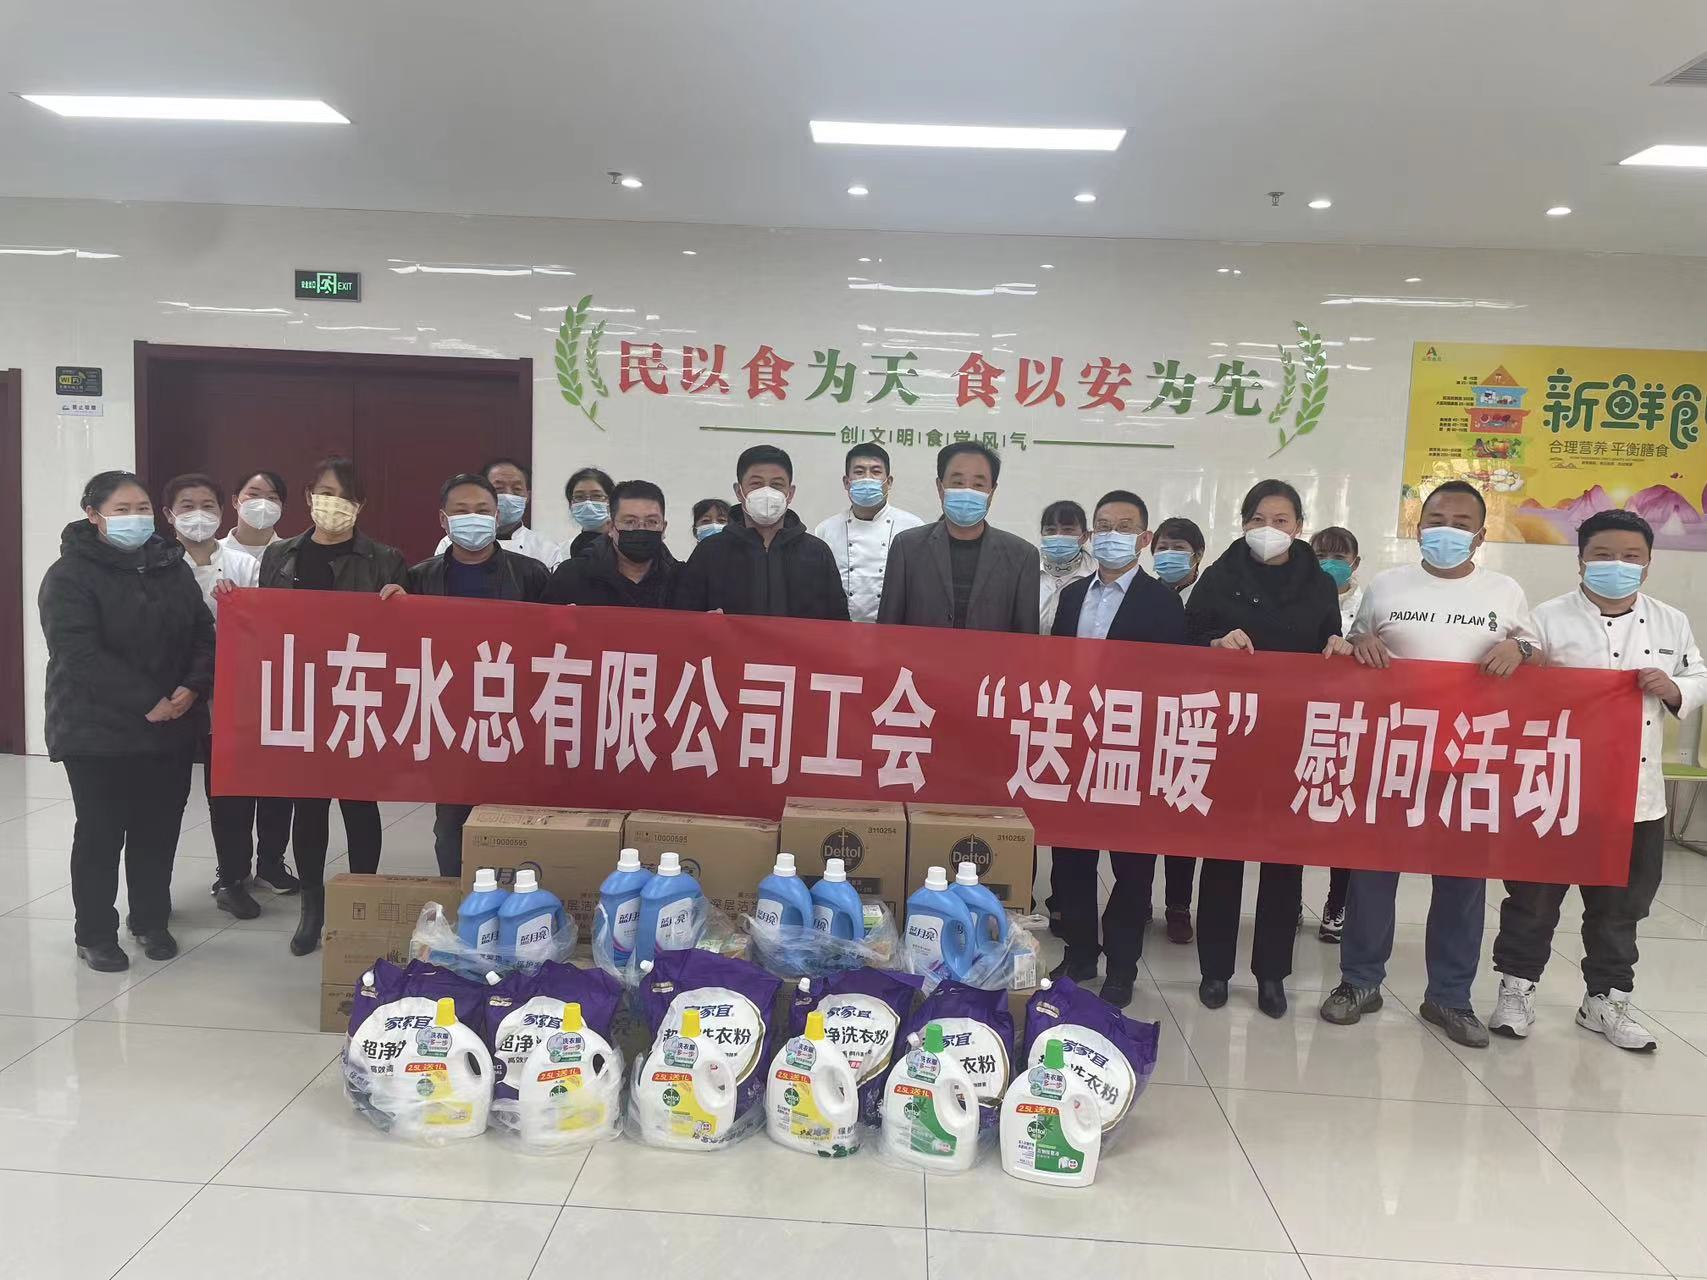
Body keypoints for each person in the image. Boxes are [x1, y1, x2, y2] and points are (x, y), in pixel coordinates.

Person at [1321, 480, 1540, 1048]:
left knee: (1462, 882)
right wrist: (1360, 644)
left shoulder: (1505, 591)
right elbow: (1353, 645)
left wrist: (1520, 648)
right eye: (1437, 520)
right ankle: (1359, 982)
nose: (1447, 531)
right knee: (1373, 873)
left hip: (1471, 758)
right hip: (1393, 752)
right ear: (1419, 529)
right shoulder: (1387, 586)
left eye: (1461, 523)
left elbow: (1538, 651)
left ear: (1480, 535)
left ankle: (1450, 996)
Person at [1488, 509, 1706, 1051]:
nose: (1617, 565)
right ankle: (1516, 989)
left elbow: (1697, 675)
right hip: (1556, 790)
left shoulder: (1671, 621)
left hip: (1636, 797)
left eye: (1631, 557)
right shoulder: (1546, 618)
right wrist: (1523, 656)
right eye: (1603, 555)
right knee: (1533, 899)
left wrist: (1674, 687)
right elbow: (1518, 674)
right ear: (1581, 560)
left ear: (1648, 565)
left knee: (1620, 907)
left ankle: (1605, 999)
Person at [40, 471, 215, 971]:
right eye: (121, 510)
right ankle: (94, 932)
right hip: (97, 729)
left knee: (157, 830)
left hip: (171, 724)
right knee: (100, 833)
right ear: (93, 515)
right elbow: (77, 653)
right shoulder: (69, 575)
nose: (134, 518)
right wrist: (147, 700)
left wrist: (192, 686)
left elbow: (203, 633)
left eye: (142, 509)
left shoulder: (169, 564)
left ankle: (150, 920)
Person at [1187, 479, 1342, 1018]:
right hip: (1228, 735)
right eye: (1258, 519)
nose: (1268, 529)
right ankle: (1214, 970)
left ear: (1299, 527)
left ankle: (1272, 973)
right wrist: (1214, 643)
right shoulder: (1219, 577)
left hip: (1292, 738)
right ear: (1243, 523)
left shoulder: (1319, 585)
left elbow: (1329, 645)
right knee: (1222, 857)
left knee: (1283, 859)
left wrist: (1337, 647)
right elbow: (1184, 642)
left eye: (1281, 520)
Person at [259, 456, 410, 956]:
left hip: (359, 695)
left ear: (360, 505)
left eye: (345, 496)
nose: (333, 503)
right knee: (308, 807)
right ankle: (313, 906)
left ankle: (361, 899)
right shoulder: (280, 555)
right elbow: (263, 624)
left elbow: (403, 635)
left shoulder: (384, 558)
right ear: (308, 496)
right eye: (325, 492)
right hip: (302, 696)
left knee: (360, 804)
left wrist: (402, 601)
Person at [1047, 490, 1189, 1007]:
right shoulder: (1070, 596)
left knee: (1132, 865)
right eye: (1104, 525)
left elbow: (1172, 682)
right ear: (1090, 535)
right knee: (1072, 857)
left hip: (1133, 747)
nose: (1112, 535)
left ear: (1144, 538)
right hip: (1074, 741)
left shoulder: (1162, 602)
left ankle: (1122, 965)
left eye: (1124, 527)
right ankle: (1080, 952)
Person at [161, 472, 297, 920]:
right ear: (169, 514)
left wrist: (240, 606)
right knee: (221, 790)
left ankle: (268, 864)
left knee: (263, 781)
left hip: (245, 689)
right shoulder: (162, 566)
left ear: (222, 511)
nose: (198, 514)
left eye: (207, 505)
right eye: (187, 506)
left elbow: (269, 621)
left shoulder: (244, 565)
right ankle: (231, 875)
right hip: (182, 690)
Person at [408, 473, 551, 877]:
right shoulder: (420, 578)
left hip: (516, 713)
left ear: (497, 516)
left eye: (482, 510)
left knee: (515, 818)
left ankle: (520, 895)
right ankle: (458, 896)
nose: (473, 517)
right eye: (461, 510)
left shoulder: (532, 574)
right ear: (443, 520)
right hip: (451, 716)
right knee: (451, 824)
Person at [878, 441, 1040, 632]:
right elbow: (888, 628)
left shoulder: (1022, 556)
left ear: (991, 492)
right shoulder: (906, 547)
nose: (967, 491)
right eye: (957, 483)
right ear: (940, 488)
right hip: (919, 652)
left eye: (978, 484)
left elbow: (1027, 637)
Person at [673, 445, 849, 619]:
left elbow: (838, 623)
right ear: (739, 491)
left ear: (790, 493)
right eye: (756, 484)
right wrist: (703, 622)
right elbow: (683, 619)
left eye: (777, 485)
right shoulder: (709, 552)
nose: (767, 492)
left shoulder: (817, 552)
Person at [1308, 525, 1363, 945]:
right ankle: (1289, 900)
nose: (1329, 563)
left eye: (1339, 557)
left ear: (1355, 563)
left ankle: (1337, 903)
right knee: (1292, 815)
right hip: (1303, 717)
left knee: (1345, 822)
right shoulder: (1299, 595)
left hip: (1353, 722)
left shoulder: (1370, 604)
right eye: (1320, 555)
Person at [814, 444, 925, 623]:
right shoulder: (826, 530)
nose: (867, 478)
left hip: (894, 630)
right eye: (859, 472)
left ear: (889, 482)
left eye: (875, 472)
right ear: (846, 482)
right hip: (838, 629)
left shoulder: (913, 527)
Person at [545, 479, 680, 608]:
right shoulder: (571, 576)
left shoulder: (681, 581)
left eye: (651, 522)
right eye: (629, 522)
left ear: (663, 528)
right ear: (610, 527)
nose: (641, 529)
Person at [434, 457, 561, 568]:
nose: (508, 495)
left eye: (517, 489)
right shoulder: (450, 544)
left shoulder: (545, 548)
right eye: (498, 489)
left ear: (527, 496)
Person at [1038, 499, 1095, 634]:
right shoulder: (1027, 575)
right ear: (1042, 535)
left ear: (1084, 536)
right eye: (1050, 530)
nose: (1058, 536)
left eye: (1068, 530)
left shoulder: (1096, 578)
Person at [220, 469, 287, 563]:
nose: (263, 503)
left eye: (272, 497)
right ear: (235, 501)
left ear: (281, 507)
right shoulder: (214, 552)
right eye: (253, 494)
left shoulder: (291, 554)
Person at [564, 466, 616, 560]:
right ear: (571, 504)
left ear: (611, 501)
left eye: (596, 496)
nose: (588, 504)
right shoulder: (564, 550)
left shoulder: (621, 547)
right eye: (579, 497)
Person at [1151, 516, 1205, 603]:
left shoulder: (1211, 596)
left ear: (1198, 554)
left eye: (1178, 547)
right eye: (1162, 548)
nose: (1169, 554)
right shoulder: (1141, 594)